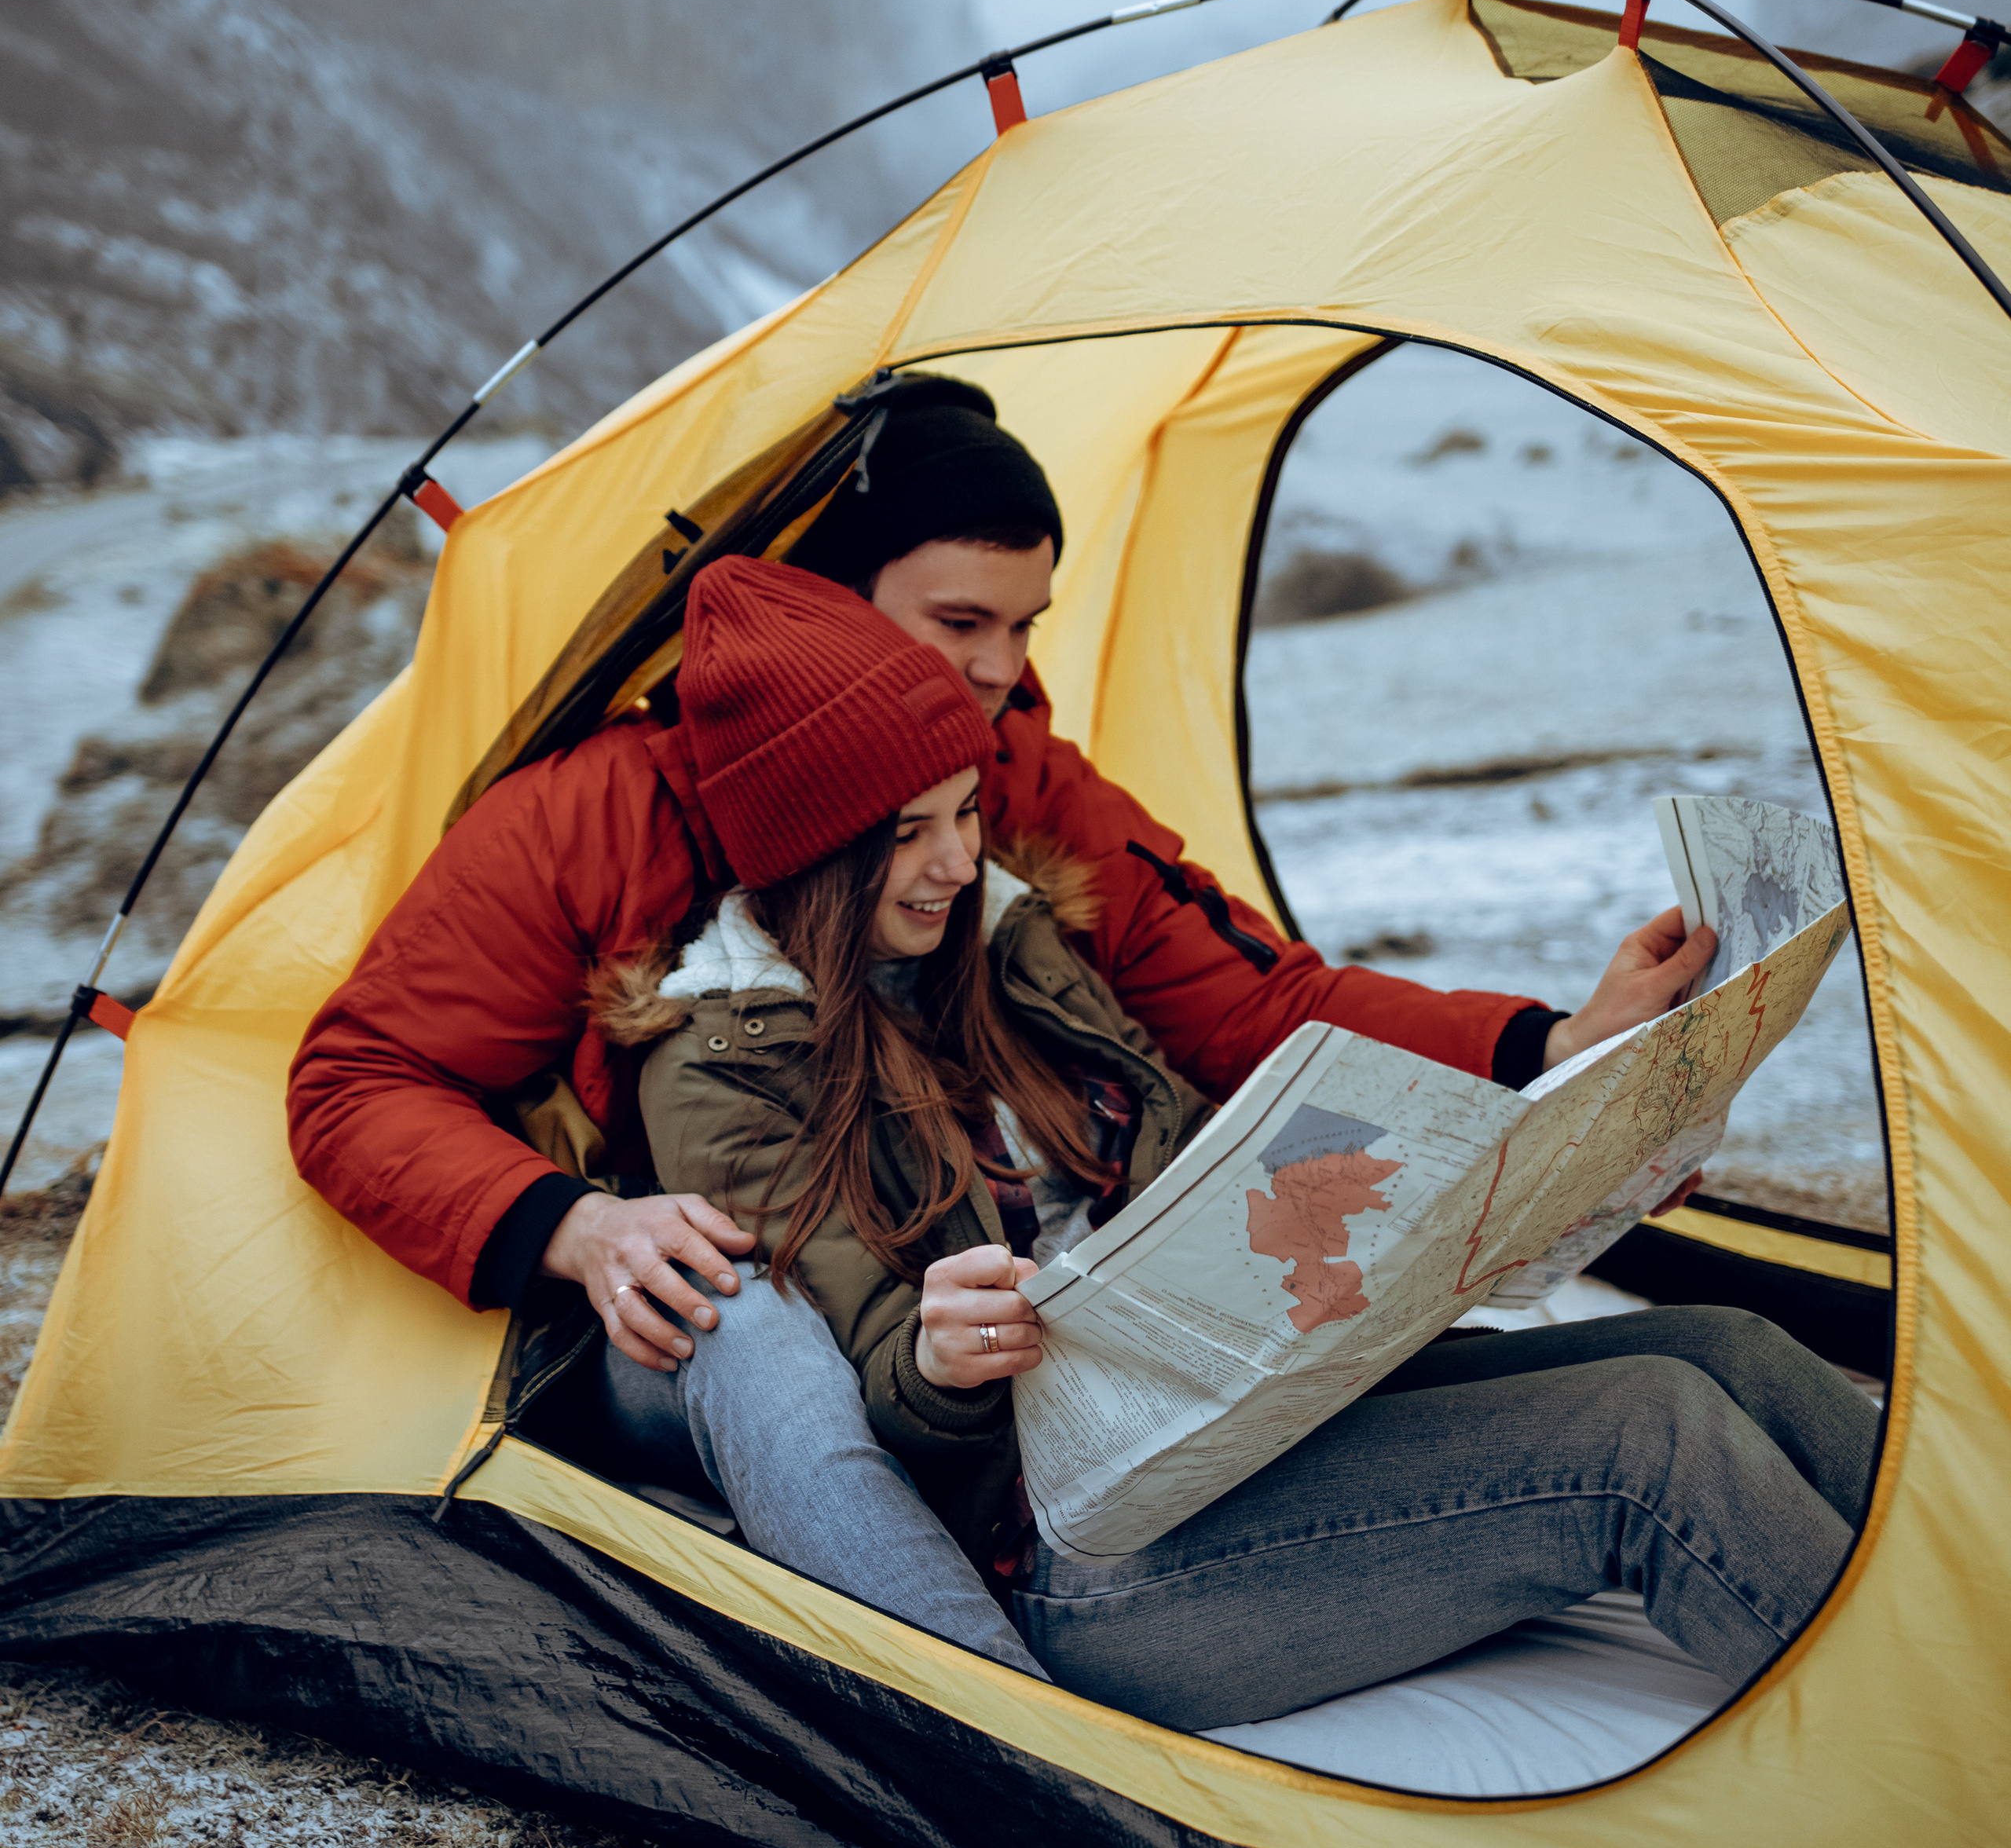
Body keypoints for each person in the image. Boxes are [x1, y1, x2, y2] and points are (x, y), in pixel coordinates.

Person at [288, 379, 1717, 1663]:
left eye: (1024, 626)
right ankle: (985, 1715)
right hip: (673, 1298)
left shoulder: (1005, 774)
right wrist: (572, 1227)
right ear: (830, 601)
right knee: (744, 1304)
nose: (997, 671)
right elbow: (356, 1081)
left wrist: (1543, 1052)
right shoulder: (595, 817)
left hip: (956, 1311)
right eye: (958, 624)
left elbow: (1248, 998)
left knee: (1683, 1373)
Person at [623, 557, 1876, 1724]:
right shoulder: (723, 1072)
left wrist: (1533, 1172)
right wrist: (944, 1365)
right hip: (1083, 1545)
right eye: (908, 834)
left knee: (1734, 1352)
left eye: (964, 812)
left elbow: (1180, 1168)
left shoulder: (1005, 942)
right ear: (810, 850)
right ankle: (1951, 1765)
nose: (957, 861)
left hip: (1246, 1412)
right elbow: (854, 1416)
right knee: (1649, 1437)